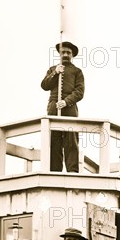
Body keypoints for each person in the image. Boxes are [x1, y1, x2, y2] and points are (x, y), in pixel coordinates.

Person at [41, 41, 85, 172]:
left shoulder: (77, 72)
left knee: (71, 141)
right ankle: (55, 172)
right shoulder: (52, 69)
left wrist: (66, 101)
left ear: (72, 55)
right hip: (53, 109)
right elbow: (44, 85)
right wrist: (55, 72)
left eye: (68, 53)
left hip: (70, 109)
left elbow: (80, 91)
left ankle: (72, 171)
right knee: (54, 142)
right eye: (63, 52)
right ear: (59, 54)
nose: (65, 54)